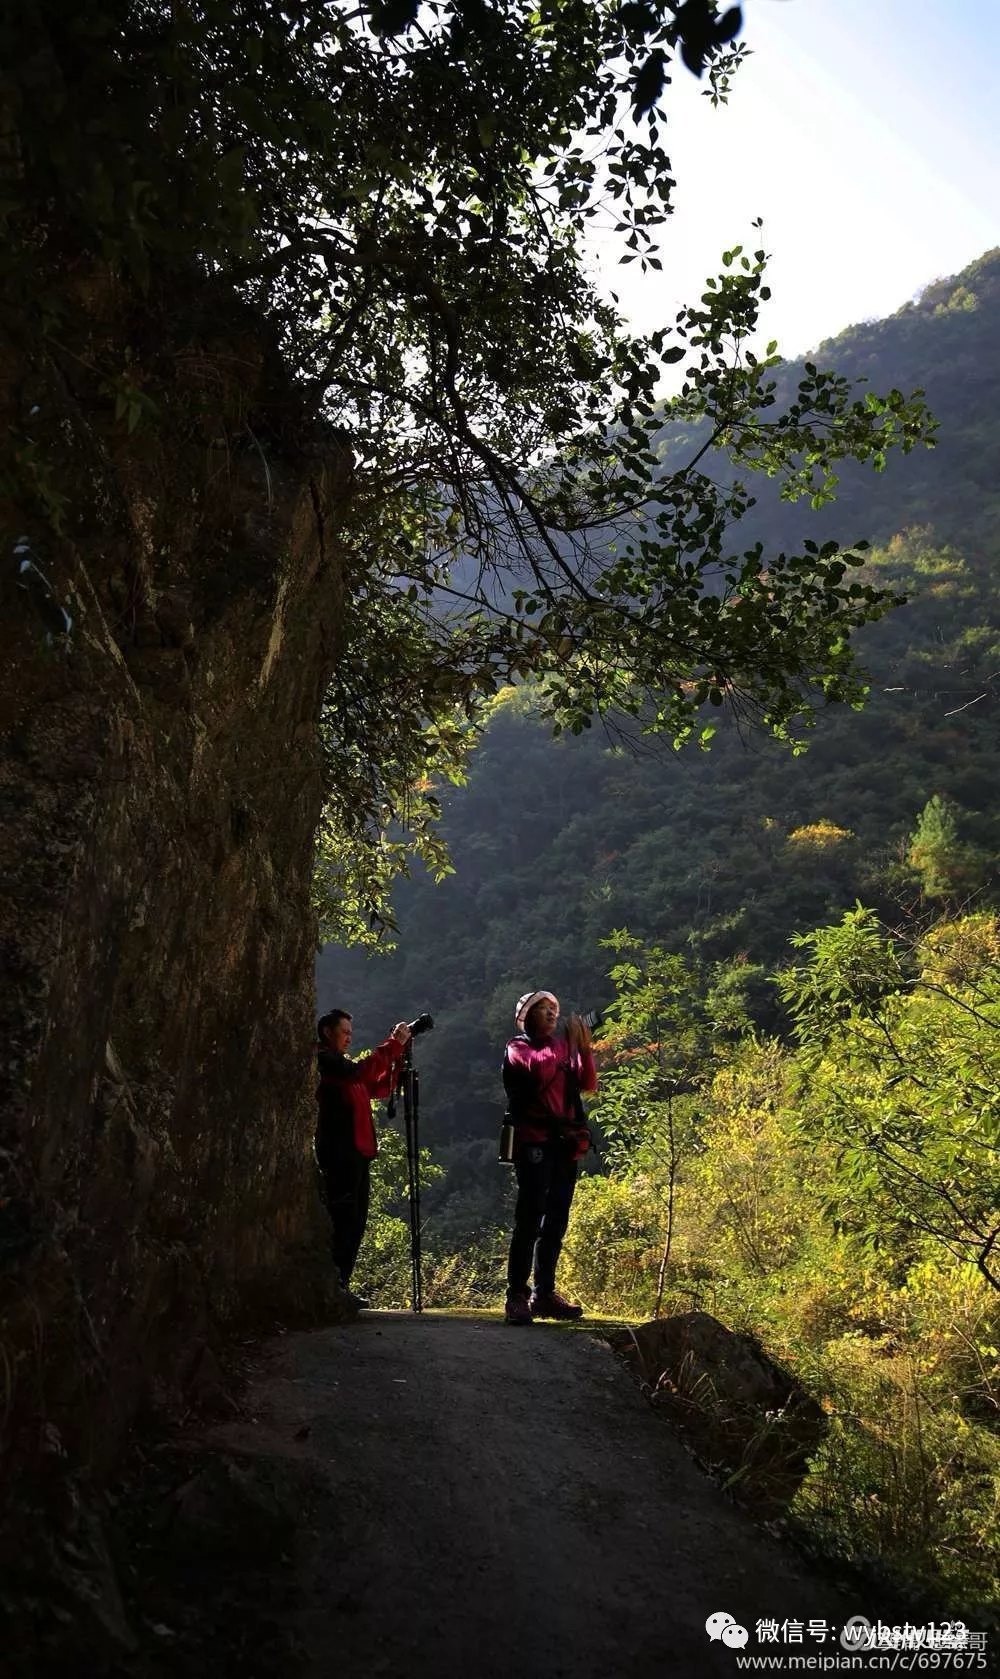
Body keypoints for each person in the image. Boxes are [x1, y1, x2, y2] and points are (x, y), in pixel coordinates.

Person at [501, 989, 597, 1326]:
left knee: (556, 1219)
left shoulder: (563, 1050)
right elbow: (539, 1069)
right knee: (529, 1220)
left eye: (553, 1008)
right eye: (542, 1009)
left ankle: (544, 1293)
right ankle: (516, 1295)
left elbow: (588, 1082)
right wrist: (568, 1045)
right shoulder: (518, 1047)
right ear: (527, 1017)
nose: (551, 1014)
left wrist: (583, 1048)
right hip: (534, 1143)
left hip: (563, 1143)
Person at [314, 1009, 411, 1310]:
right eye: (344, 1031)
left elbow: (372, 1086)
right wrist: (392, 1045)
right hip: (341, 1154)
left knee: (355, 1223)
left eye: (350, 1032)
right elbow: (359, 1074)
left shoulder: (343, 1067)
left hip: (358, 1154)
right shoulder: (325, 1061)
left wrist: (397, 1066)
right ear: (328, 1032)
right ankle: (333, 1286)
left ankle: (341, 1285)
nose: (349, 1037)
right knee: (343, 1221)